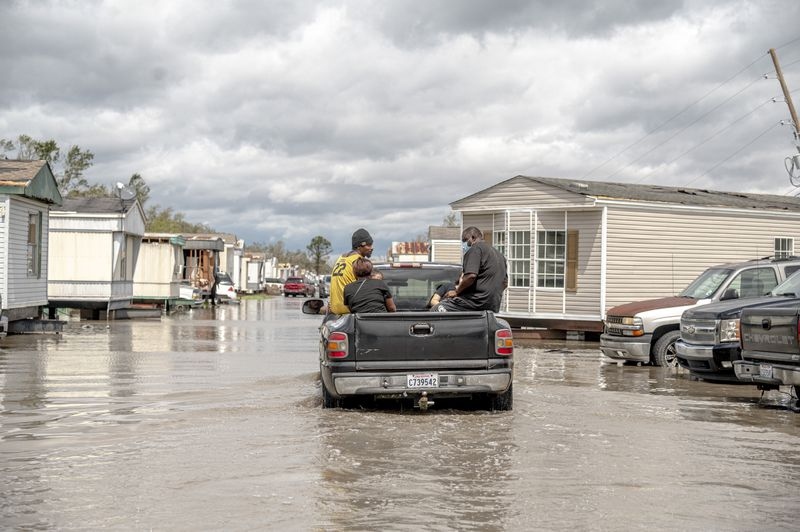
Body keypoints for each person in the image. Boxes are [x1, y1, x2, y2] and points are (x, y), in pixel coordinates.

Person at [432, 226, 507, 312]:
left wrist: (456, 292)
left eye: (464, 240)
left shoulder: (475, 249)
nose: (463, 244)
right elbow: (505, 283)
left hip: (475, 301)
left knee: (436, 310)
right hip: (493, 304)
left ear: (473, 238)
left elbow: (471, 276)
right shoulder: (500, 255)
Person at [329, 228, 374, 314]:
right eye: (368, 245)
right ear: (359, 246)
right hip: (349, 310)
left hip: (335, 310)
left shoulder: (341, 258)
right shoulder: (358, 262)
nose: (371, 248)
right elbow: (369, 288)